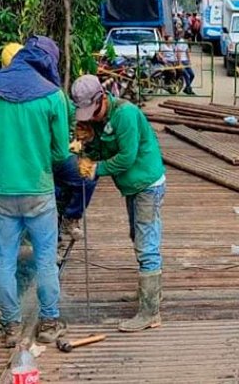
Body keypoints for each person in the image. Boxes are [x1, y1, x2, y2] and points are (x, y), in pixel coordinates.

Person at [0, 36, 69, 347]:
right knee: (45, 258)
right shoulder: (52, 95)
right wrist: (38, 156)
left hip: (1, 192)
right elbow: (60, 154)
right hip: (38, 190)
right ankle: (48, 323)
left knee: (4, 260)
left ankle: (11, 327)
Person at [70, 74, 166, 332]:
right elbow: (101, 150)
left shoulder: (125, 114)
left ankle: (150, 312)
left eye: (92, 112)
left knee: (146, 243)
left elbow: (126, 157)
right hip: (131, 186)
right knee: (137, 236)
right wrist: (88, 144)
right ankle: (150, 294)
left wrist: (95, 169)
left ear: (102, 98)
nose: (90, 117)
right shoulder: (97, 120)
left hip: (146, 183)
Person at [0, 44, 98, 245]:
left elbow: (70, 112)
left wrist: (74, 137)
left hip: (55, 155)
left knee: (87, 175)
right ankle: (45, 239)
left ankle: (70, 218)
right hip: (28, 161)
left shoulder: (47, 87)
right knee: (44, 193)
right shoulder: (0, 92)